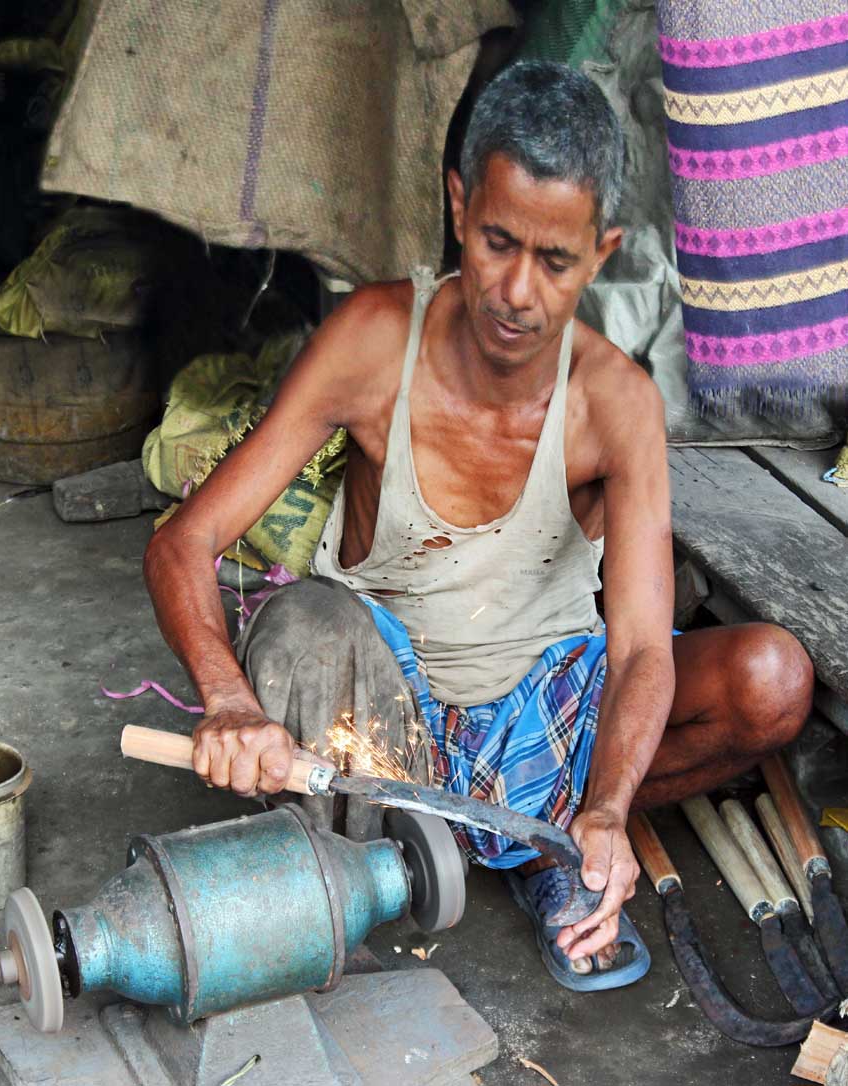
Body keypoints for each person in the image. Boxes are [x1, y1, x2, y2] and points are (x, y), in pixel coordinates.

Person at [144, 60, 813, 991]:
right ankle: (356, 881)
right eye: (497, 241)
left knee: (772, 680)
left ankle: (553, 846)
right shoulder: (375, 341)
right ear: (458, 206)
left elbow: (638, 654)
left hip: (549, 718)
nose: (516, 292)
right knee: (300, 629)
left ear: (602, 251)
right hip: (390, 719)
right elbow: (185, 539)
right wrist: (227, 699)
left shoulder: (615, 402)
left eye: (555, 260)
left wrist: (610, 810)